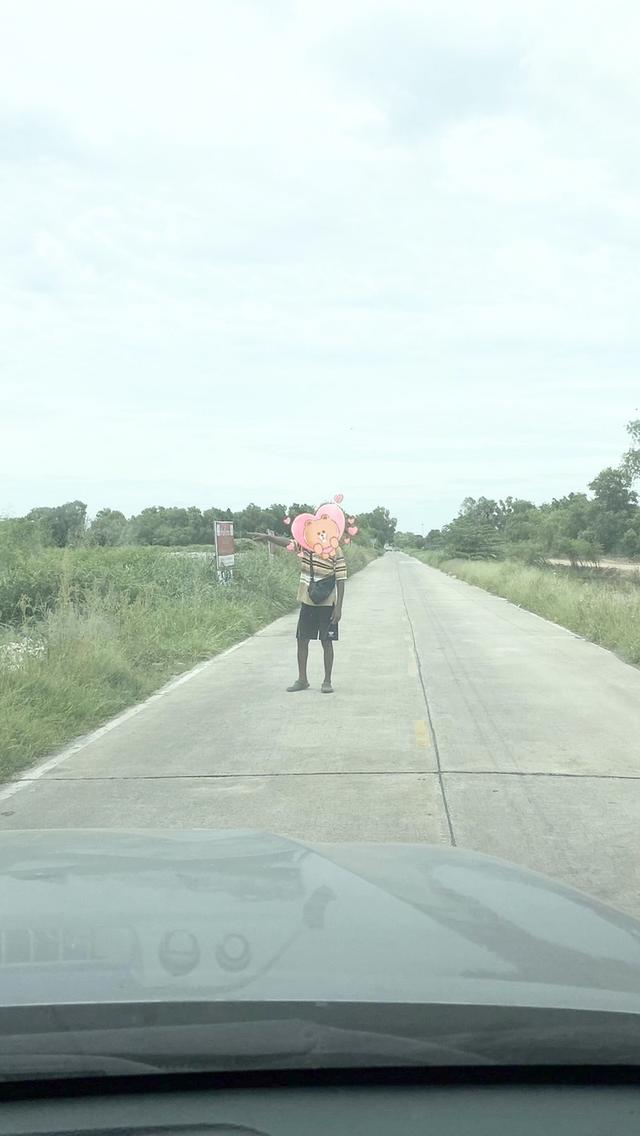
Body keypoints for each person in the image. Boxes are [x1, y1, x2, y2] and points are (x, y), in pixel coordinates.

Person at [248, 531, 347, 693]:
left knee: (326, 642)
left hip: (328, 603)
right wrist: (269, 538)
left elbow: (341, 578)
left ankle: (327, 681)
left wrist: (339, 607)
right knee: (302, 640)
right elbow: (287, 542)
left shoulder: (335, 550)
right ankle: (302, 679)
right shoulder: (306, 544)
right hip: (307, 601)